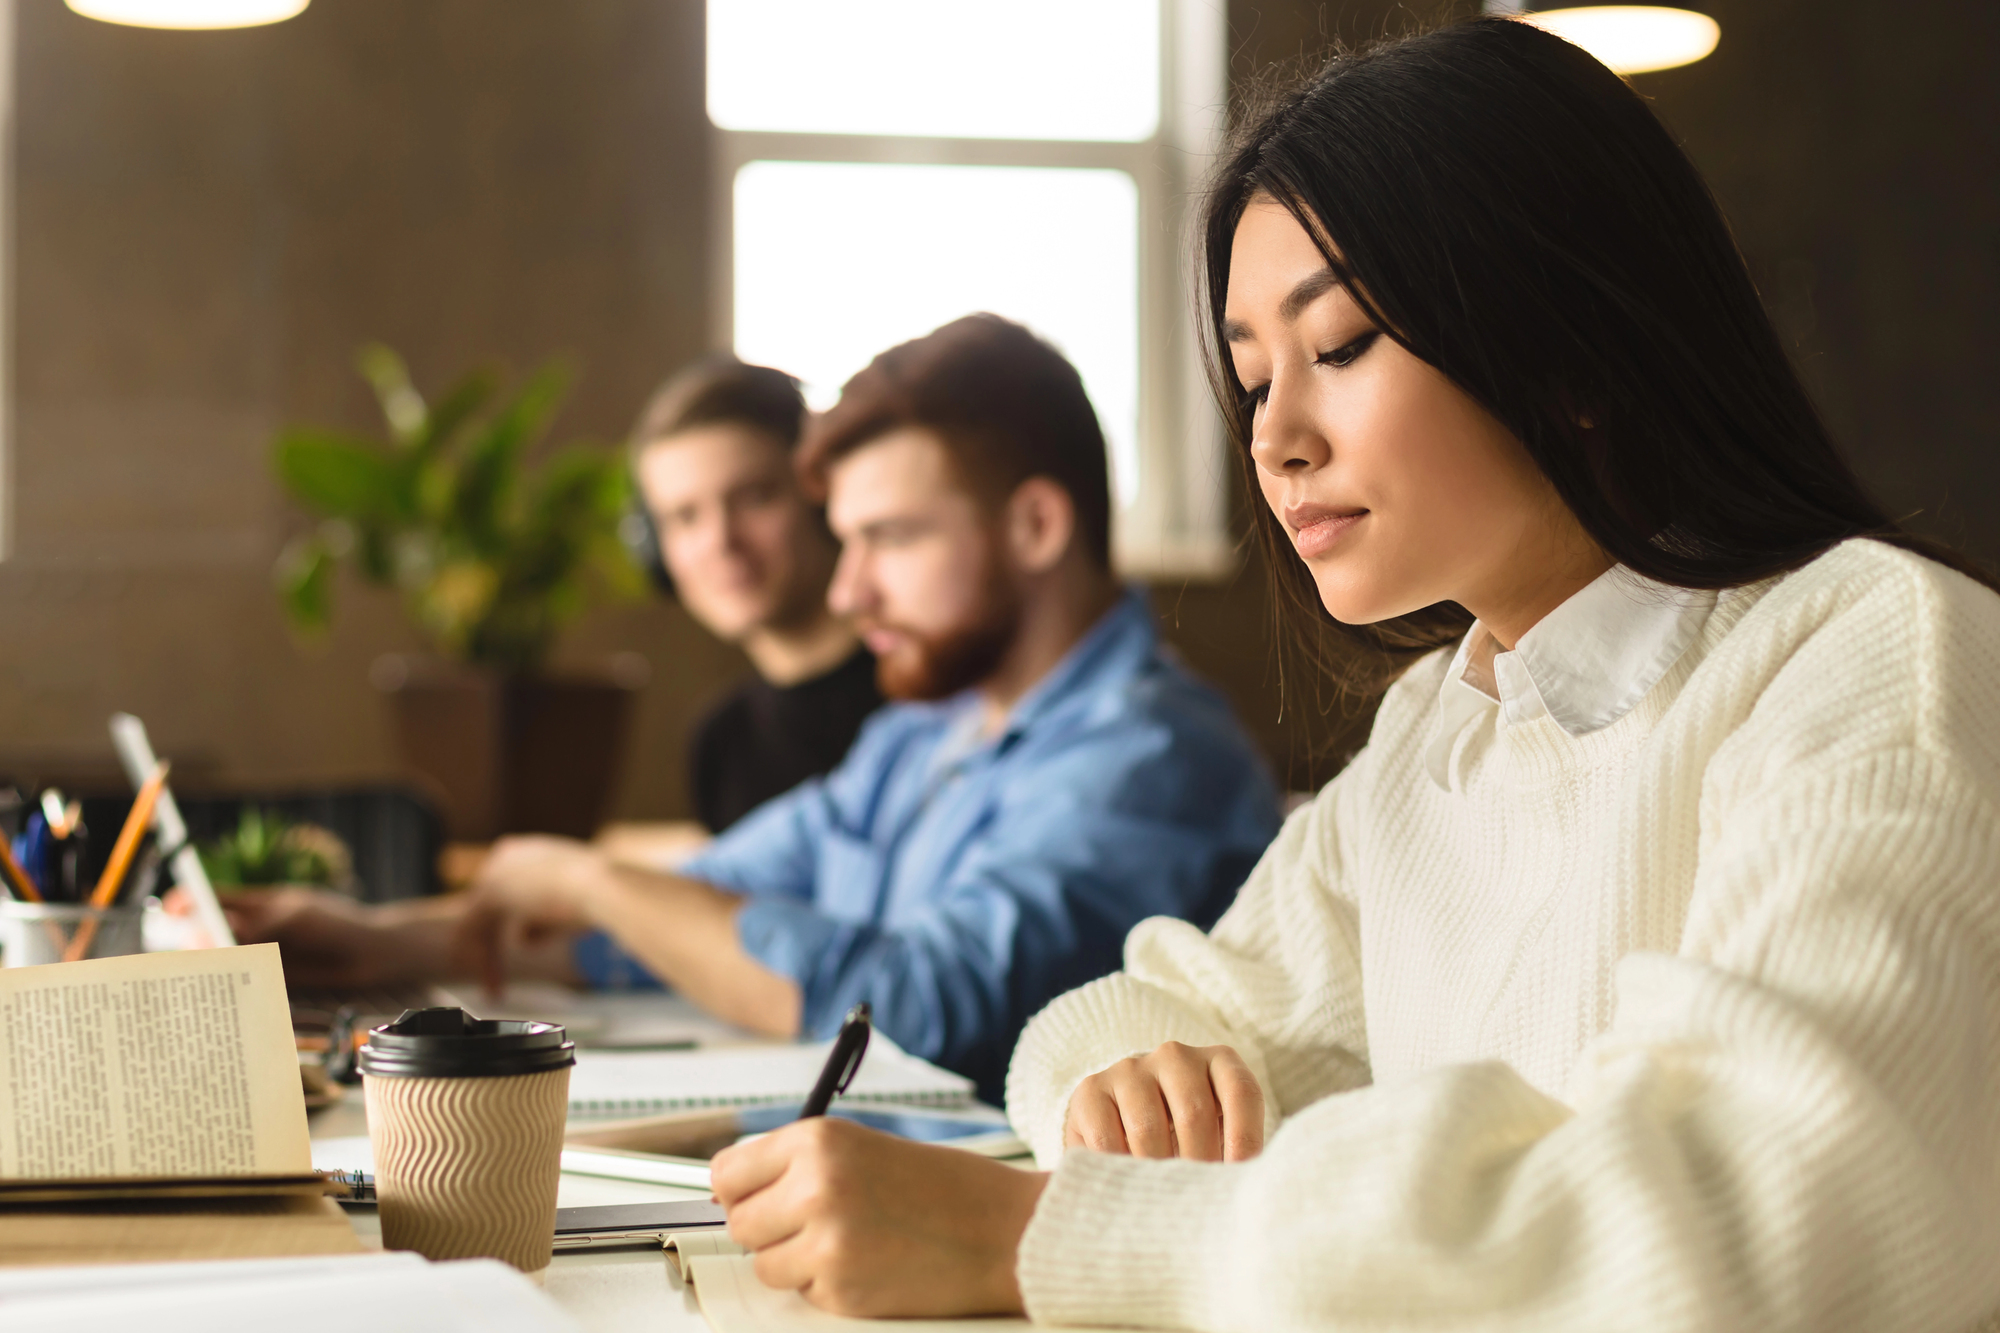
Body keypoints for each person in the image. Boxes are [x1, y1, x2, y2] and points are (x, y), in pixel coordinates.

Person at [700, 19, 2000, 1331]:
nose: (1276, 438)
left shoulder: (1880, 662)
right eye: (1255, 375)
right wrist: (1124, 1080)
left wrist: (1056, 1233)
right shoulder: (1442, 726)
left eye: (1344, 344)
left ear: (1570, 341)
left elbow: (1736, 1222)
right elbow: (1149, 1010)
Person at [231, 314, 1282, 1101]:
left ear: (1037, 525)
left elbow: (906, 1014)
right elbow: (696, 905)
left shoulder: (1145, 758)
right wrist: (379, 942)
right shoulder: (917, 736)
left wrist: (588, 876)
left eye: (892, 538)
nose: (846, 589)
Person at [624, 355, 881, 835]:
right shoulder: (721, 741)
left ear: (825, 501)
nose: (721, 542)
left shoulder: (927, 693)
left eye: (754, 497)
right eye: (685, 518)